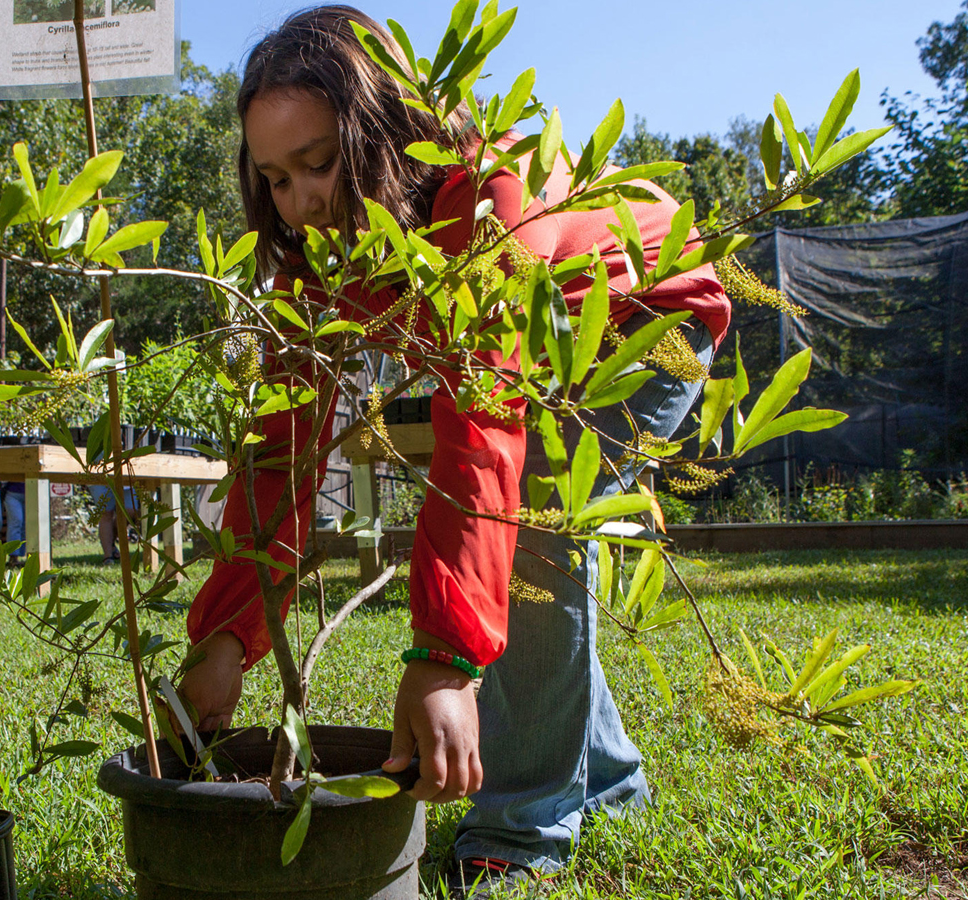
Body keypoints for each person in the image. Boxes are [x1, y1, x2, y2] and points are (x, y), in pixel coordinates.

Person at [175, 6, 730, 893]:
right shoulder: (315, 256)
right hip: (537, 353)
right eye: (275, 178)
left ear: (385, 132)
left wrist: (445, 654)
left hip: (647, 317)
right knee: (523, 536)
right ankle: (611, 781)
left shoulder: (486, 193)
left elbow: (484, 423)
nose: (302, 201)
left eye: (320, 163)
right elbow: (280, 446)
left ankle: (525, 825)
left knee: (534, 529)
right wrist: (228, 636)